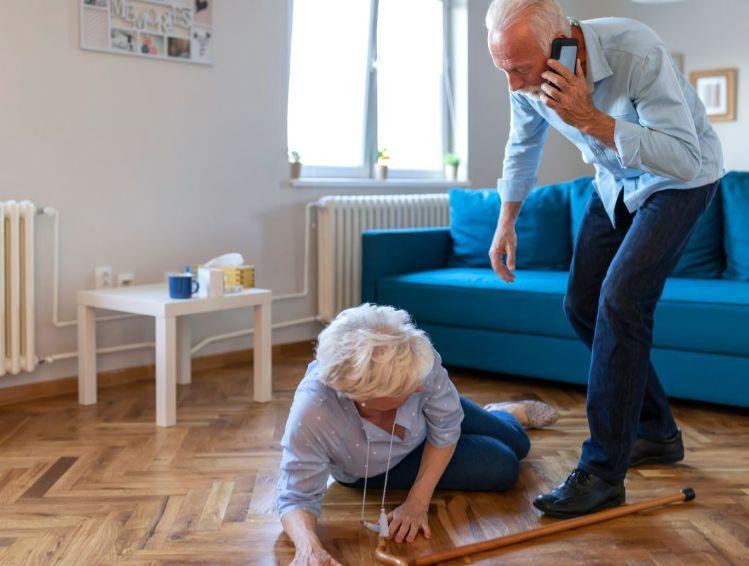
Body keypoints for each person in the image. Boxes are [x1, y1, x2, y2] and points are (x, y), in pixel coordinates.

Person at [485, 0, 723, 519]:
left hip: (678, 181)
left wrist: (591, 119)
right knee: (582, 304)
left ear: (562, 40)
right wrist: (507, 221)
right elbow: (522, 145)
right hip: (614, 179)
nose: (513, 84)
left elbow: (683, 155)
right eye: (501, 68)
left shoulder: (634, 50)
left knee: (621, 299)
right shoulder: (525, 77)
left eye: (520, 68)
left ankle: (602, 473)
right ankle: (657, 431)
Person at [276, 303, 558, 566]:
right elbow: (295, 498)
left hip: (437, 415)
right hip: (373, 467)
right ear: (362, 396)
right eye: (404, 388)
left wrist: (417, 502)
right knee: (505, 466)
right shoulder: (313, 411)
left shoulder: (416, 359)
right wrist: (308, 547)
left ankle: (502, 412)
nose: (419, 387)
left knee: (519, 442)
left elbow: (446, 427)